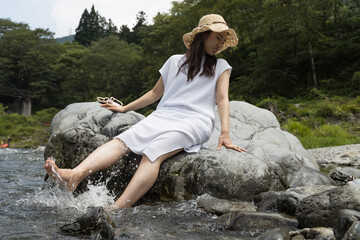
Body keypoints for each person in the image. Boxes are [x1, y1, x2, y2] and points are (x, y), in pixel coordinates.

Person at [44, 14, 246, 210]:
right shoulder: (174, 61)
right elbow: (155, 93)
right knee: (122, 141)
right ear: (203, 35)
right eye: (217, 38)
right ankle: (75, 175)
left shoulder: (221, 66)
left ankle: (116, 207)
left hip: (196, 121)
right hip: (163, 116)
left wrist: (225, 133)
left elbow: (222, 98)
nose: (220, 44)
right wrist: (124, 108)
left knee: (153, 152)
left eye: (223, 40)